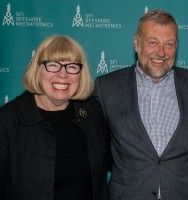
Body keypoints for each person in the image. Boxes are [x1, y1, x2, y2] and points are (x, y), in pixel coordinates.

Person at [93, 9, 188, 200]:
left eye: (169, 44)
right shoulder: (106, 87)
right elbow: (98, 148)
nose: (161, 52)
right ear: (136, 43)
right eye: (153, 43)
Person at [0, 35, 110, 200]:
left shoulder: (92, 112)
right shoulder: (7, 120)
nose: (63, 75)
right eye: (53, 65)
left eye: (72, 67)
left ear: (81, 73)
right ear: (38, 70)